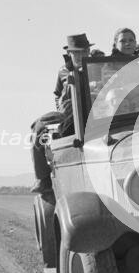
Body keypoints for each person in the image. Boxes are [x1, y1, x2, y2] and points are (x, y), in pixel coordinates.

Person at [30, 33, 93, 194]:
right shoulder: (63, 71)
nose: (80, 55)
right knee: (38, 128)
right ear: (69, 53)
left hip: (93, 111)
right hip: (68, 112)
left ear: (89, 52)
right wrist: (62, 107)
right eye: (76, 52)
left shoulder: (96, 66)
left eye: (83, 51)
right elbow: (57, 94)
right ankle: (43, 179)